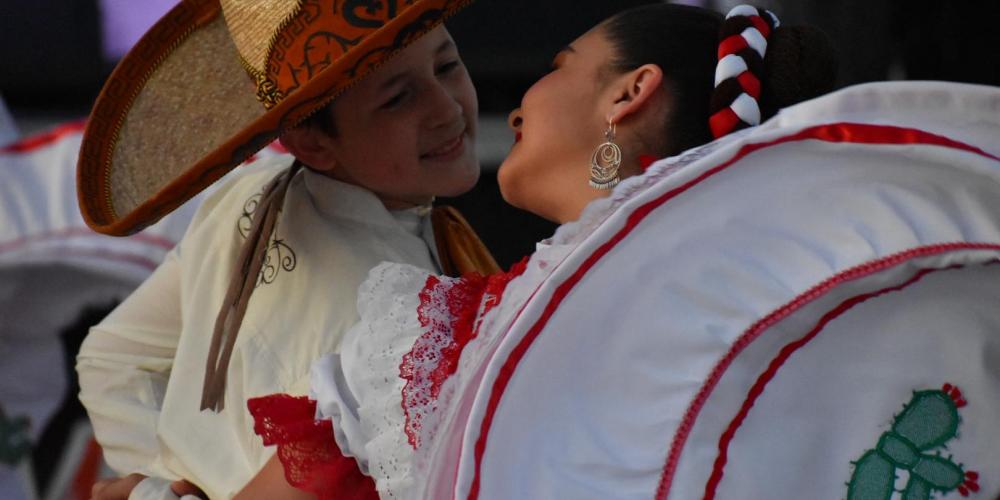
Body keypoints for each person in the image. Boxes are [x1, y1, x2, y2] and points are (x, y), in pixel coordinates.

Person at [241, 4, 845, 499]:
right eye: (399, 97)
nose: (454, 106)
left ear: (631, 92)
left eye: (561, 64)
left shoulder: (435, 349)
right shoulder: (792, 315)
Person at [75, 1, 497, 499]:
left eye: (447, 67)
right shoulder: (404, 306)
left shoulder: (248, 191)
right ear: (310, 141)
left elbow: (113, 357)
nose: (446, 109)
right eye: (398, 98)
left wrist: (159, 482)